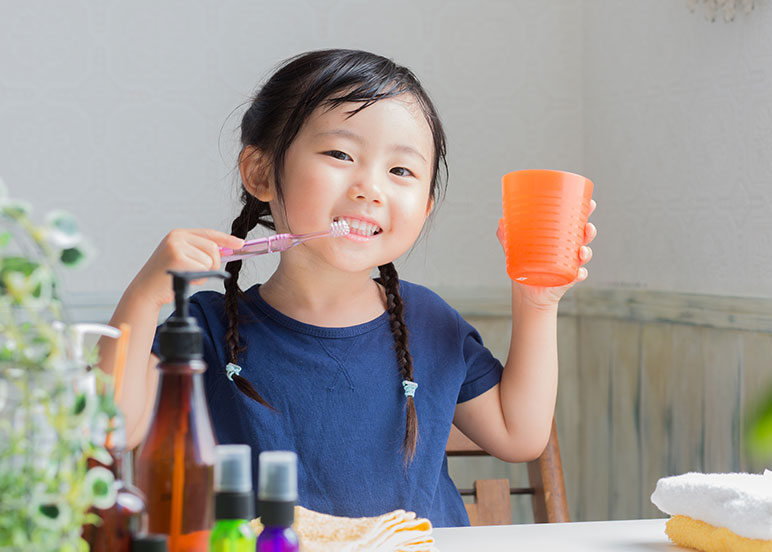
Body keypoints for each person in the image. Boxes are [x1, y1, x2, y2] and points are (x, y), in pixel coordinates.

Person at [99, 48, 597, 527]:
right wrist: (144, 297)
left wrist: (537, 300)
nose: (371, 187)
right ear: (260, 172)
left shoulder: (429, 321)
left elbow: (519, 435)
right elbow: (111, 430)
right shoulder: (205, 327)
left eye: (401, 170)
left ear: (424, 208)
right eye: (340, 153)